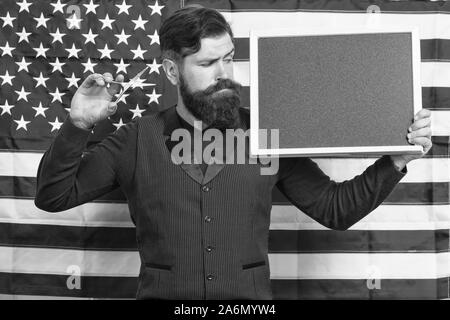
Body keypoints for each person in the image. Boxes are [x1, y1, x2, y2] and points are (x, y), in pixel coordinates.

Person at [35, 6, 432, 300]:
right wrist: (79, 124)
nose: (224, 72)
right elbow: (53, 197)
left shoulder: (266, 131)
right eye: (208, 63)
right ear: (173, 72)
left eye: (228, 57)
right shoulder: (137, 139)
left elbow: (336, 209)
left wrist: (396, 160)